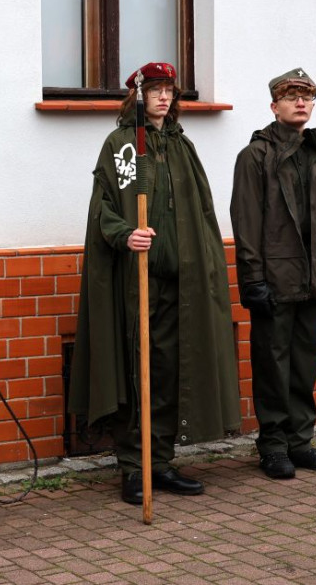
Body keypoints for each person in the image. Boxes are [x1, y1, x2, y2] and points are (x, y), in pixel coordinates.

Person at [68, 62, 241, 505]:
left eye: (170, 91)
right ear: (138, 96)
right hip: (135, 280)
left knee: (168, 370)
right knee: (136, 369)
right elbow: (102, 207)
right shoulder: (123, 145)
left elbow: (200, 214)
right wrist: (127, 233)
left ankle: (160, 462)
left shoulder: (182, 148)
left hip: (178, 285)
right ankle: (133, 467)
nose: (164, 97)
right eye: (156, 90)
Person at [231, 68, 316, 479]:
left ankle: (300, 443)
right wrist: (253, 279)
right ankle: (273, 445)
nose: (301, 102)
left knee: (304, 364)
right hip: (274, 282)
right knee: (272, 366)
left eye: (307, 96)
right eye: (292, 96)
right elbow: (245, 222)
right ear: (274, 106)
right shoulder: (255, 157)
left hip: (314, 280)